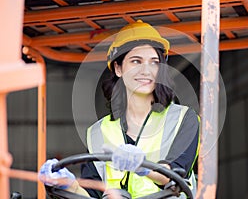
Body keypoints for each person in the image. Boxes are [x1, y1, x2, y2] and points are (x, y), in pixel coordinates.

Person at [38, 20, 200, 198]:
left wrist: (143, 167)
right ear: (118, 68)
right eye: (136, 61)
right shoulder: (97, 133)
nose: (146, 70)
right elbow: (92, 193)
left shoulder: (183, 119)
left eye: (154, 62)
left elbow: (177, 174)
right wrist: (70, 185)